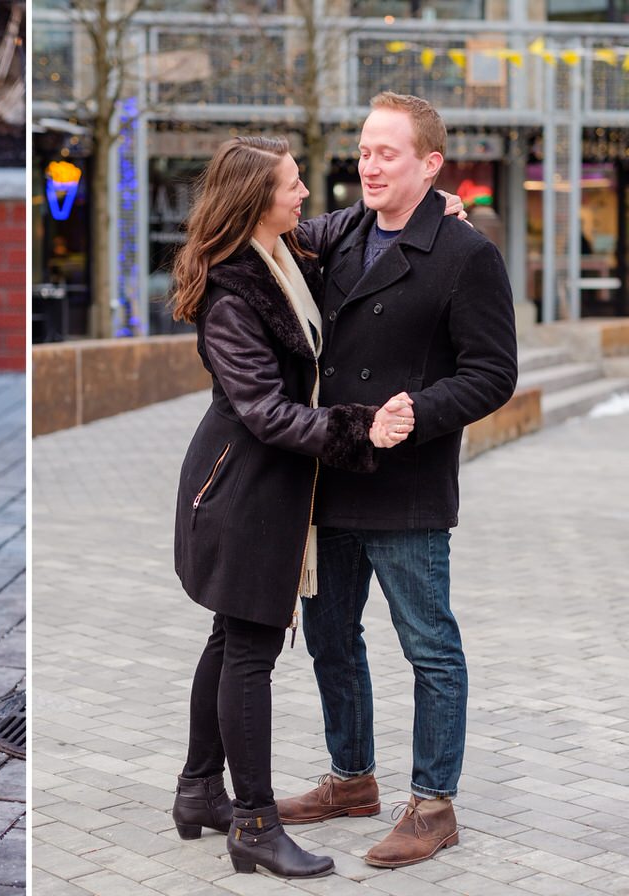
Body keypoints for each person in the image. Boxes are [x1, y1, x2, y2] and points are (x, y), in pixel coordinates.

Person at [169, 135, 417, 880]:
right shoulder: (231, 292)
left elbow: (343, 222)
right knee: (249, 649)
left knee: (228, 639)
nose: (305, 193)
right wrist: (359, 427)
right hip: (241, 489)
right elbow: (267, 412)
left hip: (265, 487)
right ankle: (252, 824)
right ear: (256, 200)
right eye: (292, 183)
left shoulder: (281, 250)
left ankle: (197, 792)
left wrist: (431, 203)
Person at [281, 92, 518, 868]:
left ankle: (434, 803)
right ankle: (351, 780)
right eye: (364, 150)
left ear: (430, 164)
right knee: (329, 639)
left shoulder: (466, 253)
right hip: (333, 472)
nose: (369, 163)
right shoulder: (341, 233)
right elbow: (265, 234)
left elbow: (493, 373)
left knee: (429, 646)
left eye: (387, 152)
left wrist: (420, 408)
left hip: (407, 485)